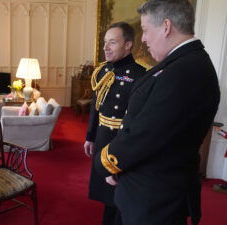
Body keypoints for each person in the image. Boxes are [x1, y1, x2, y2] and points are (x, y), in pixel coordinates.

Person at [93, 1, 220, 225]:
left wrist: (107, 163)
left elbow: (146, 134)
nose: (143, 38)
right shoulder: (183, 63)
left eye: (146, 29)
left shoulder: (184, 72)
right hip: (148, 190)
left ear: (166, 26)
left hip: (154, 198)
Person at [84, 22, 146, 225]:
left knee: (121, 194)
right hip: (103, 138)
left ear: (128, 45)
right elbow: (96, 105)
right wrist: (90, 136)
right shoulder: (102, 71)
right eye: (105, 43)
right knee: (106, 192)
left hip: (122, 142)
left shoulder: (140, 75)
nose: (105, 48)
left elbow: (138, 121)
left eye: (112, 42)